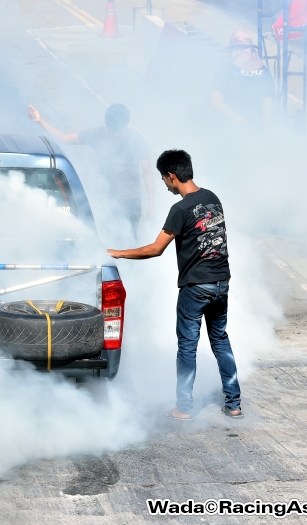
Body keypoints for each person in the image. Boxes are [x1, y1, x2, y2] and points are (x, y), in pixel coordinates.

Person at [107, 150, 242, 420]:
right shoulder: (212, 198)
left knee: (187, 346)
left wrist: (118, 253)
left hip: (196, 287)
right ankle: (234, 404)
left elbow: (156, 249)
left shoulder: (180, 209)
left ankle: (184, 408)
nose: (164, 184)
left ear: (172, 176)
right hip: (221, 283)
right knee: (221, 341)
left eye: (163, 179)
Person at [28, 104, 153, 240]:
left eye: (118, 131)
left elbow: (147, 172)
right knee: (108, 239)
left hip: (131, 203)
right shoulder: (97, 135)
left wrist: (151, 205)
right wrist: (40, 121)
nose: (114, 134)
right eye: (111, 130)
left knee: (129, 242)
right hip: (108, 201)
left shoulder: (137, 141)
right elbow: (63, 138)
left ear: (125, 126)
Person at [211, 30, 275, 125]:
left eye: (244, 48)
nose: (240, 51)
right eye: (237, 48)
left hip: (252, 130)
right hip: (228, 129)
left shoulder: (264, 74)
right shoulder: (225, 70)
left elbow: (268, 106)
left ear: (251, 50)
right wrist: (241, 121)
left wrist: (265, 129)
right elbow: (216, 102)